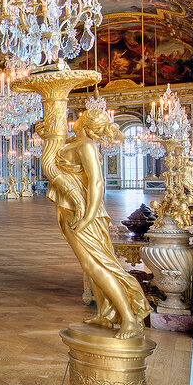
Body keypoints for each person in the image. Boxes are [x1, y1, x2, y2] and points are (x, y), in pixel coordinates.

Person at [47, 107, 150, 339]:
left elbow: (96, 182)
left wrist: (88, 216)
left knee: (96, 264)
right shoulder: (74, 143)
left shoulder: (86, 145)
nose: (76, 119)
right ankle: (105, 313)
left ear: (86, 123)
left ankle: (130, 318)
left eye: (81, 117)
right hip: (70, 209)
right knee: (89, 265)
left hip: (84, 212)